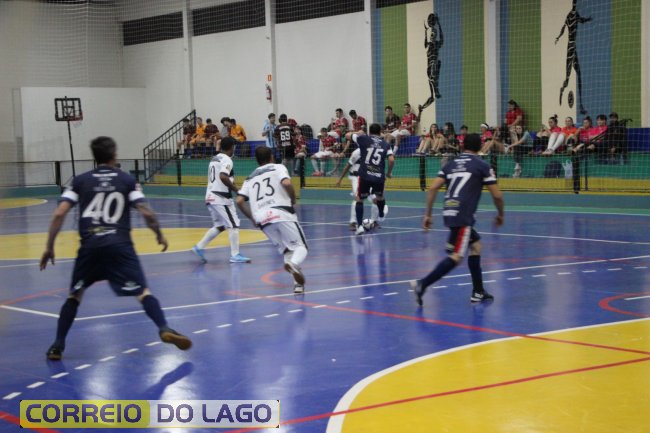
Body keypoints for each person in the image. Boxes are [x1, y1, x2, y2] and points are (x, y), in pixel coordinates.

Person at [40, 137, 192, 360]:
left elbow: (59, 213)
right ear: (114, 155)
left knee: (75, 295)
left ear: (95, 156)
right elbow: (147, 212)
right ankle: (163, 328)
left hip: (90, 246)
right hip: (119, 246)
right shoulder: (127, 180)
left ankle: (57, 345)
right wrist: (159, 234)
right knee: (142, 292)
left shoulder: (80, 181)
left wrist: (49, 247)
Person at [411, 133, 504, 305]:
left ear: (462, 146)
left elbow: (432, 188)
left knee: (475, 246)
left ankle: (478, 291)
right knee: (457, 256)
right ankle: (422, 284)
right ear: (480, 147)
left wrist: (428, 215)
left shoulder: (450, 164)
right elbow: (497, 196)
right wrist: (500, 215)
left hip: (449, 210)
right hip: (463, 214)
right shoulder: (482, 166)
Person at [236, 147, 308, 294]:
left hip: (262, 218)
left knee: (287, 249)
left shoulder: (249, 178)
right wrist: (293, 199)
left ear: (257, 160)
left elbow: (239, 201)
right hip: (281, 211)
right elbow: (286, 183)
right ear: (271, 157)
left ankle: (298, 286)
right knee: (301, 247)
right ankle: (294, 264)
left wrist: (252, 218)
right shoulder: (278, 167)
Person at [192, 137, 251, 264]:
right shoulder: (227, 159)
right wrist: (237, 190)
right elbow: (223, 176)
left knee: (219, 226)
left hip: (210, 196)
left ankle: (199, 247)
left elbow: (222, 177)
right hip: (221, 198)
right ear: (231, 147)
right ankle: (235, 255)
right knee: (233, 224)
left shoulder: (214, 158)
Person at [345, 123, 394, 235]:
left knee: (359, 199)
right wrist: (389, 173)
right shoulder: (385, 144)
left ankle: (359, 227)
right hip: (379, 176)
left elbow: (347, 135)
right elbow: (391, 160)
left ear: (369, 131)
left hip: (365, 175)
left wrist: (358, 133)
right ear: (380, 132)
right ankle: (381, 214)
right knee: (379, 197)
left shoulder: (363, 139)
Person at [335, 148, 385, 231]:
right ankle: (353, 222)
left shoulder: (374, 151)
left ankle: (374, 221)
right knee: (358, 198)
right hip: (356, 177)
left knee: (375, 199)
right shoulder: (357, 152)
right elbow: (348, 166)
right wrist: (340, 179)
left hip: (369, 177)